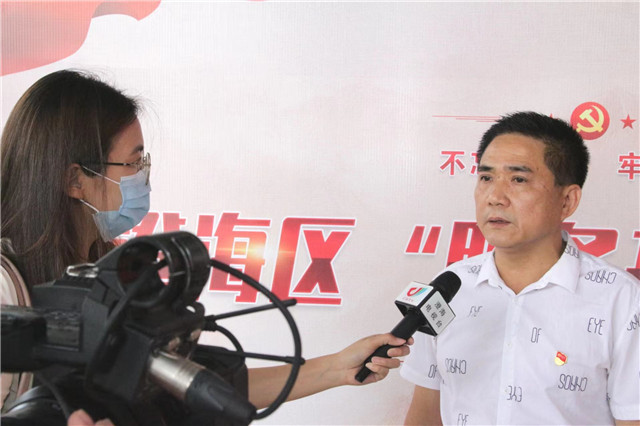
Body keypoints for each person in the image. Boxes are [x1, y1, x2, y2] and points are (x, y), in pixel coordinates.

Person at [0, 70, 411, 422]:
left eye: (144, 163)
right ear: (75, 180)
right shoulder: (7, 286)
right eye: (133, 163)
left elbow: (182, 384)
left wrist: (337, 368)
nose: (143, 176)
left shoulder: (112, 267)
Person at [400, 112, 640, 425]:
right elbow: (425, 414)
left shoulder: (620, 300)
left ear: (567, 201)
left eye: (518, 180)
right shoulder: (449, 287)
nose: (495, 198)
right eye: (486, 178)